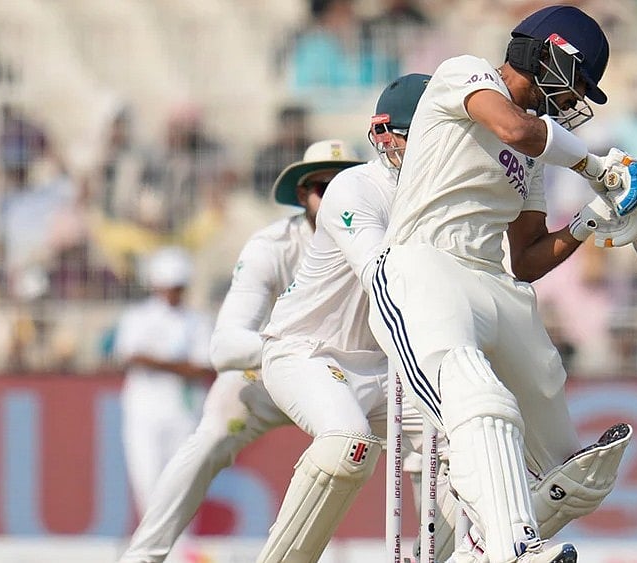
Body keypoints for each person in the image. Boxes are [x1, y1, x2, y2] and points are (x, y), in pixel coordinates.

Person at [366, 6, 637, 563]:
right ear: (544, 51)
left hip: (495, 285)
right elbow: (515, 128)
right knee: (481, 399)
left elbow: (525, 260)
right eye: (574, 86)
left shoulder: (537, 159)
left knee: (577, 473)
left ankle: (478, 552)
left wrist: (591, 220)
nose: (571, 104)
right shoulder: (465, 72)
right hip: (425, 267)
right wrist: (599, 168)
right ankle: (515, 550)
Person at [117, 140, 364, 563]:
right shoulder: (272, 246)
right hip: (271, 374)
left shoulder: (379, 239)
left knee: (437, 432)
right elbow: (226, 346)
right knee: (210, 437)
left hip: (356, 376)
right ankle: (142, 557)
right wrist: (294, 350)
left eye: (345, 184)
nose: (336, 196)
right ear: (302, 195)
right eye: (324, 187)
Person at [254, 73, 432, 563]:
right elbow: (382, 274)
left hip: (382, 366)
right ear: (383, 134)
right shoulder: (355, 187)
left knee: (466, 437)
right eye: (417, 133)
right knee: (348, 447)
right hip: (306, 351)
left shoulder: (439, 196)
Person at [116, 246, 216, 523]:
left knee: (182, 488)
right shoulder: (138, 318)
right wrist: (177, 365)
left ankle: (180, 550)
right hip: (144, 414)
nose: (171, 294)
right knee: (148, 486)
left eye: (177, 287)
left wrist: (156, 362)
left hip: (184, 414)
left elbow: (201, 367)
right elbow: (130, 356)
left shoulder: (197, 321)